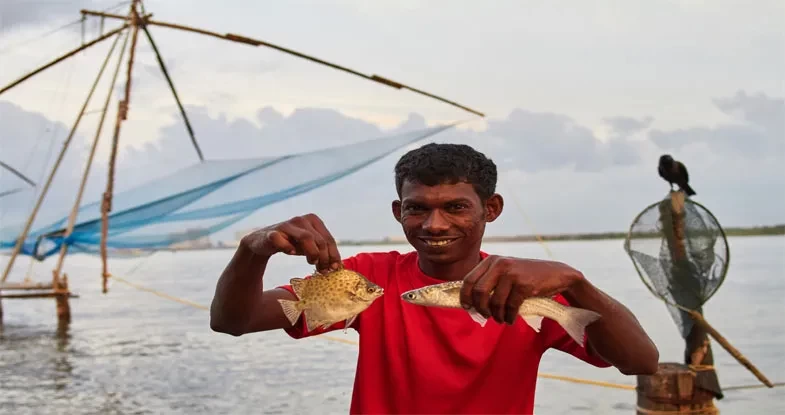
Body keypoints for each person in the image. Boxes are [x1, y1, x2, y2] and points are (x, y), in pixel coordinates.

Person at [210, 142, 659, 414]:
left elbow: (641, 362)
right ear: (398, 211)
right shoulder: (368, 282)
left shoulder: (523, 286)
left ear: (492, 209)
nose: (434, 224)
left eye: (456, 207)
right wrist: (254, 248)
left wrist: (574, 282)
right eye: (417, 207)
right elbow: (236, 319)